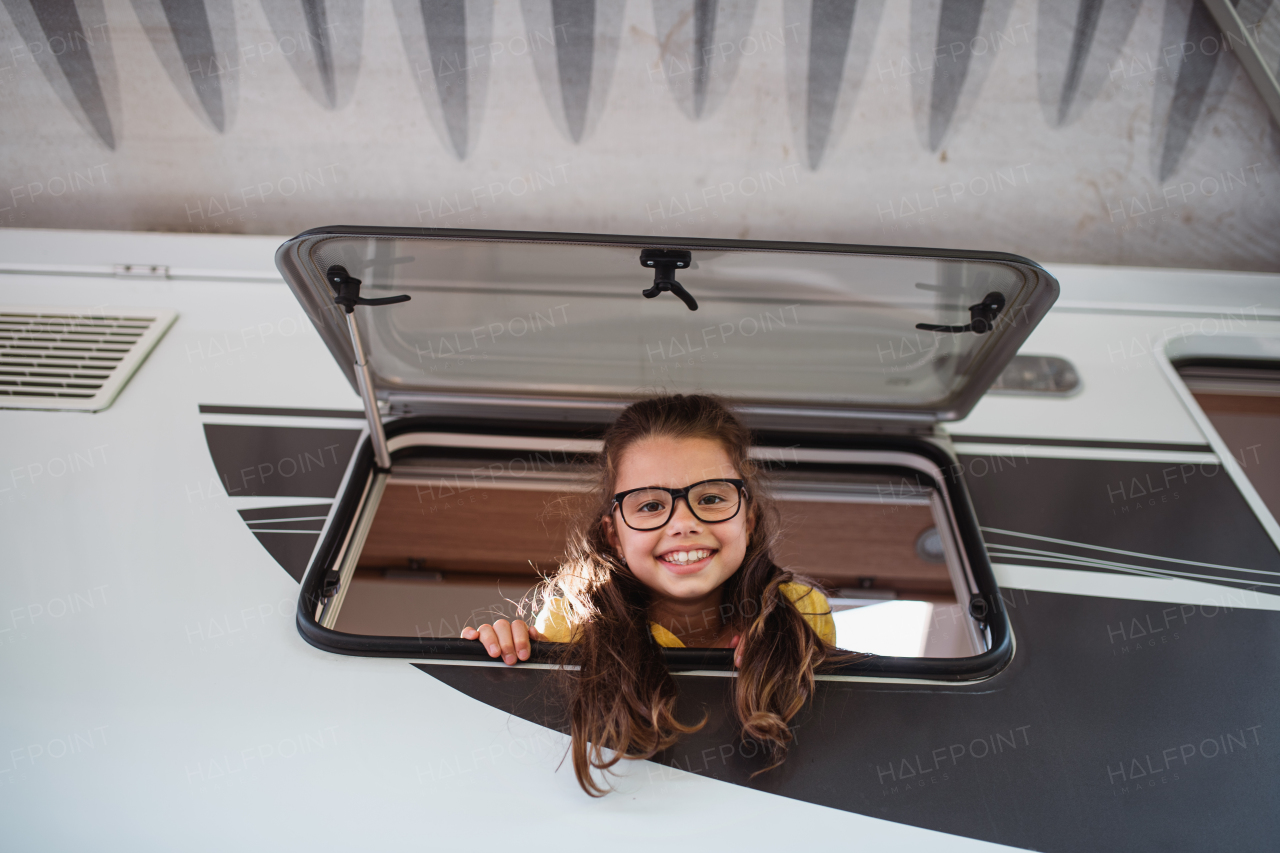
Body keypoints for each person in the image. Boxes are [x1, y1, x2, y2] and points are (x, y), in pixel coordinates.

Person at [461, 394, 865, 795]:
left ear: (749, 518)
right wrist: (507, 655)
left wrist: (780, 659)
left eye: (710, 498)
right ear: (613, 535)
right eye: (651, 505)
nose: (684, 523)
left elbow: (816, 747)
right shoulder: (574, 619)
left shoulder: (795, 608)